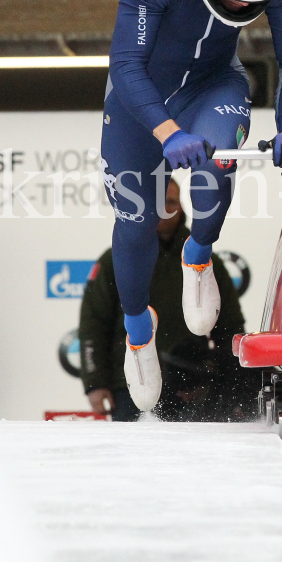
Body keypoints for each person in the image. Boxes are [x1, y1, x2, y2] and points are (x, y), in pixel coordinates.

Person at [101, 0, 282, 411]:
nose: (240, 10)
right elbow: (126, 62)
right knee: (136, 220)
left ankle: (198, 255)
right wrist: (169, 131)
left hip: (214, 84)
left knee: (216, 162)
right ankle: (138, 329)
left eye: (251, 2)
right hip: (140, 96)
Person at [79, 180, 261, 421]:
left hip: (193, 387)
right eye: (156, 203)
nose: (164, 209)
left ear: (182, 207)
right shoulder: (117, 259)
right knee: (132, 457)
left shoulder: (206, 261)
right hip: (131, 384)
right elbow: (94, 324)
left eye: (170, 202)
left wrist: (233, 386)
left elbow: (229, 329)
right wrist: (95, 383)